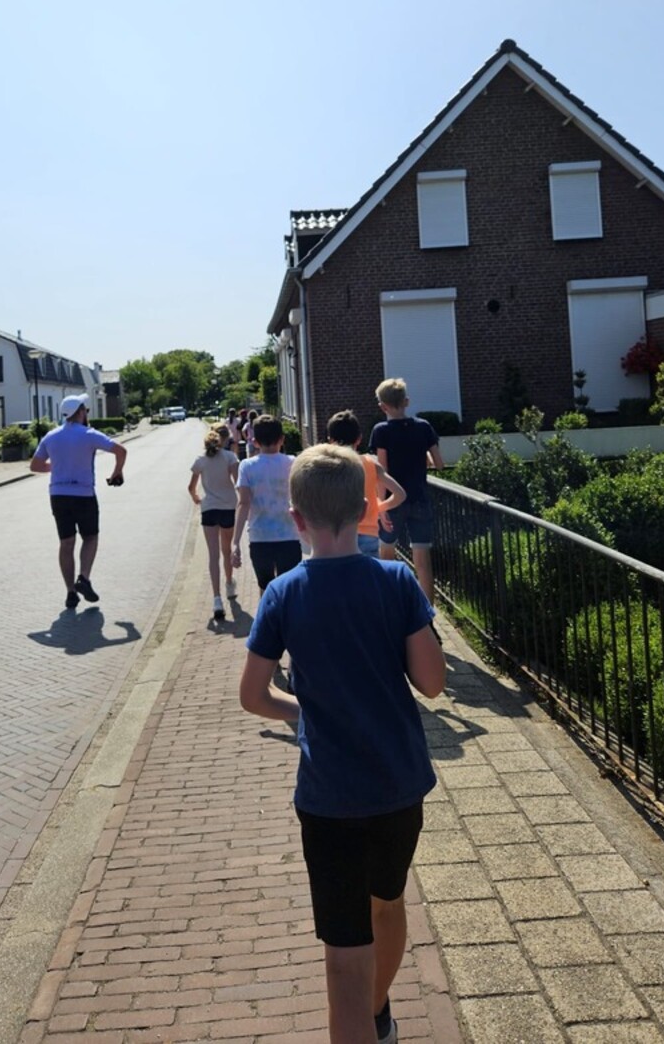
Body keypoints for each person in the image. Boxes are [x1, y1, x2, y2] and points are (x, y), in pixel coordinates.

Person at [239, 444, 446, 1044]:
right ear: (363, 510)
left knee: (343, 957)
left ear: (297, 518)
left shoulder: (282, 593)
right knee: (388, 903)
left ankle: (365, 1017)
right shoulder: (396, 579)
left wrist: (305, 715)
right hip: (398, 784)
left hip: (329, 795)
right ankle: (378, 1013)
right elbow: (432, 683)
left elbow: (253, 695)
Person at [29, 393, 126, 610]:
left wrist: (58, 466)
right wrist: (116, 473)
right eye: (86, 410)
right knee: (90, 537)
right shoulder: (89, 434)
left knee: (66, 543)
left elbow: (35, 466)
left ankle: (70, 592)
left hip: (58, 495)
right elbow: (121, 451)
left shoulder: (51, 436)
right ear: (81, 412)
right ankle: (83, 578)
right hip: (83, 494)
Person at [369, 379, 445, 604]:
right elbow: (439, 464)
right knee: (422, 560)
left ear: (382, 406)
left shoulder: (381, 431)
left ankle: (392, 604)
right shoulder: (424, 427)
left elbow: (382, 471)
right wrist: (424, 456)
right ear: (406, 402)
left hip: (393, 501)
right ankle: (427, 611)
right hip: (420, 498)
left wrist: (381, 506)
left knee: (387, 555)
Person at [232, 413, 300, 594]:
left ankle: (267, 612)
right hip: (289, 534)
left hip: (260, 536)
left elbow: (243, 504)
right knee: (290, 589)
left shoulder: (247, 466)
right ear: (282, 439)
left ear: (255, 442)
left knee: (266, 588)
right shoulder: (293, 463)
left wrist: (236, 542)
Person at [326, 409, 407, 557]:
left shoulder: (328, 467)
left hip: (339, 533)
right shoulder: (371, 464)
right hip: (369, 532)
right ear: (359, 438)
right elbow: (400, 494)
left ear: (331, 440)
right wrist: (378, 507)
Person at [189, 422, 240, 624]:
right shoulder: (230, 457)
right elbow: (238, 482)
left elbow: (191, 487)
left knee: (213, 555)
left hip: (208, 508)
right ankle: (229, 584)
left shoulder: (200, 460)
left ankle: (217, 599)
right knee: (226, 550)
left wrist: (196, 498)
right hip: (227, 506)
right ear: (224, 439)